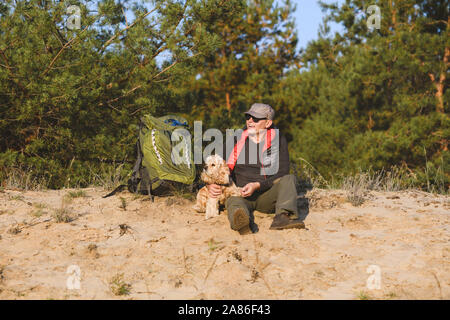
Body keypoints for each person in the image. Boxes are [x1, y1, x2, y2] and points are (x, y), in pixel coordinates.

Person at [207, 103, 305, 234]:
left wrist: (257, 185)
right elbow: (215, 163)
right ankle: (242, 223)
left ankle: (283, 217)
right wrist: (210, 184)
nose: (250, 121)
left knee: (289, 179)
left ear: (268, 123)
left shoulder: (279, 139)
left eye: (256, 119)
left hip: (266, 194)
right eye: (248, 117)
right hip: (238, 192)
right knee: (234, 203)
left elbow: (282, 172)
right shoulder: (236, 137)